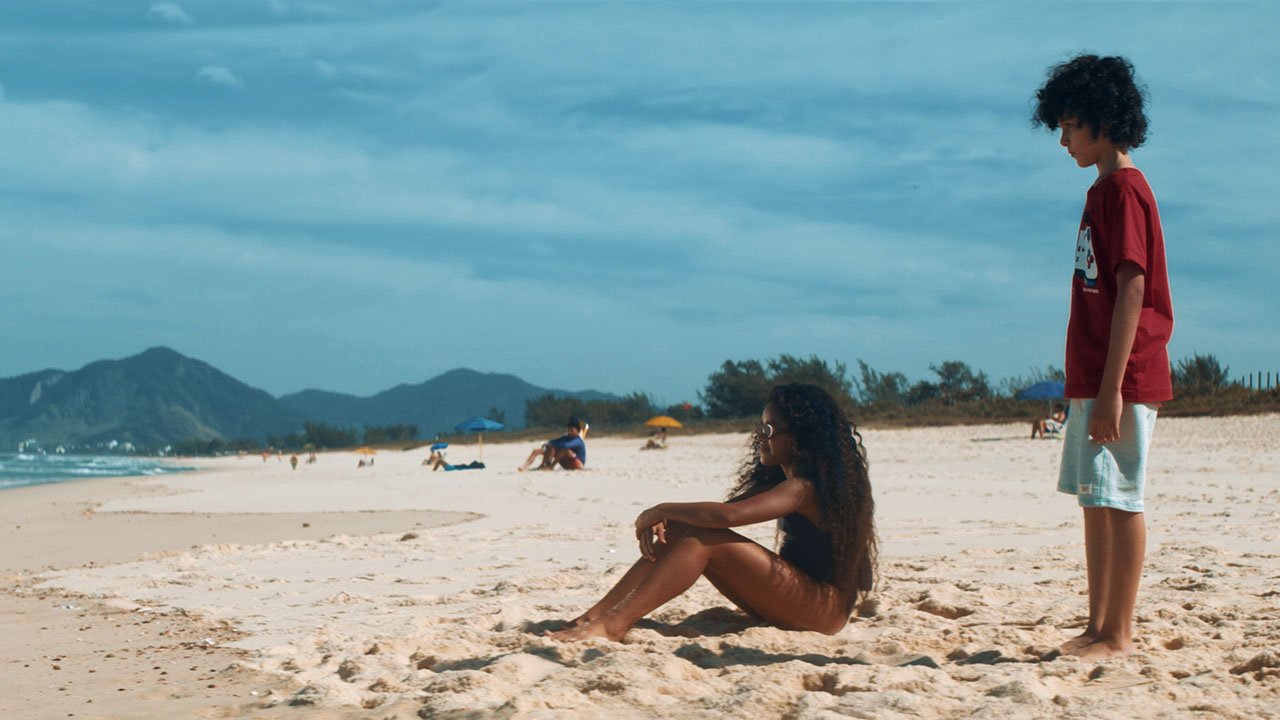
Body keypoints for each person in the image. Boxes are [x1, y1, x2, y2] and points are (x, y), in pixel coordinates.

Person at [1032, 54, 1174, 661]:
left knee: (1121, 498)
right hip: (1093, 373)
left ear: (1102, 120)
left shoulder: (1125, 191)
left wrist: (1113, 387)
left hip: (1126, 375)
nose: (1062, 140)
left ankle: (1118, 633)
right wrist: (1088, 383)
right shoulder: (1100, 190)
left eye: (1069, 127)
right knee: (1095, 497)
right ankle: (1096, 625)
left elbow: (1134, 289)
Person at [547, 384, 876, 642]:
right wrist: (671, 519)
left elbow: (725, 519)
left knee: (704, 539)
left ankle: (613, 625)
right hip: (802, 598)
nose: (761, 437)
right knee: (681, 532)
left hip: (823, 606)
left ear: (801, 436)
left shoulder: (804, 487)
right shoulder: (784, 480)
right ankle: (596, 616)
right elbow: (720, 514)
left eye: (771, 430)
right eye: (760, 428)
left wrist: (659, 509)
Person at [518, 417, 588, 471]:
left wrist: (553, 445)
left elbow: (565, 446)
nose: (569, 432)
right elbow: (552, 442)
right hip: (567, 464)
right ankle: (526, 466)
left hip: (578, 465)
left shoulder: (578, 441)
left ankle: (551, 466)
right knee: (537, 451)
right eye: (568, 430)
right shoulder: (566, 438)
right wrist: (547, 445)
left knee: (565, 450)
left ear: (578, 431)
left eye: (572, 430)